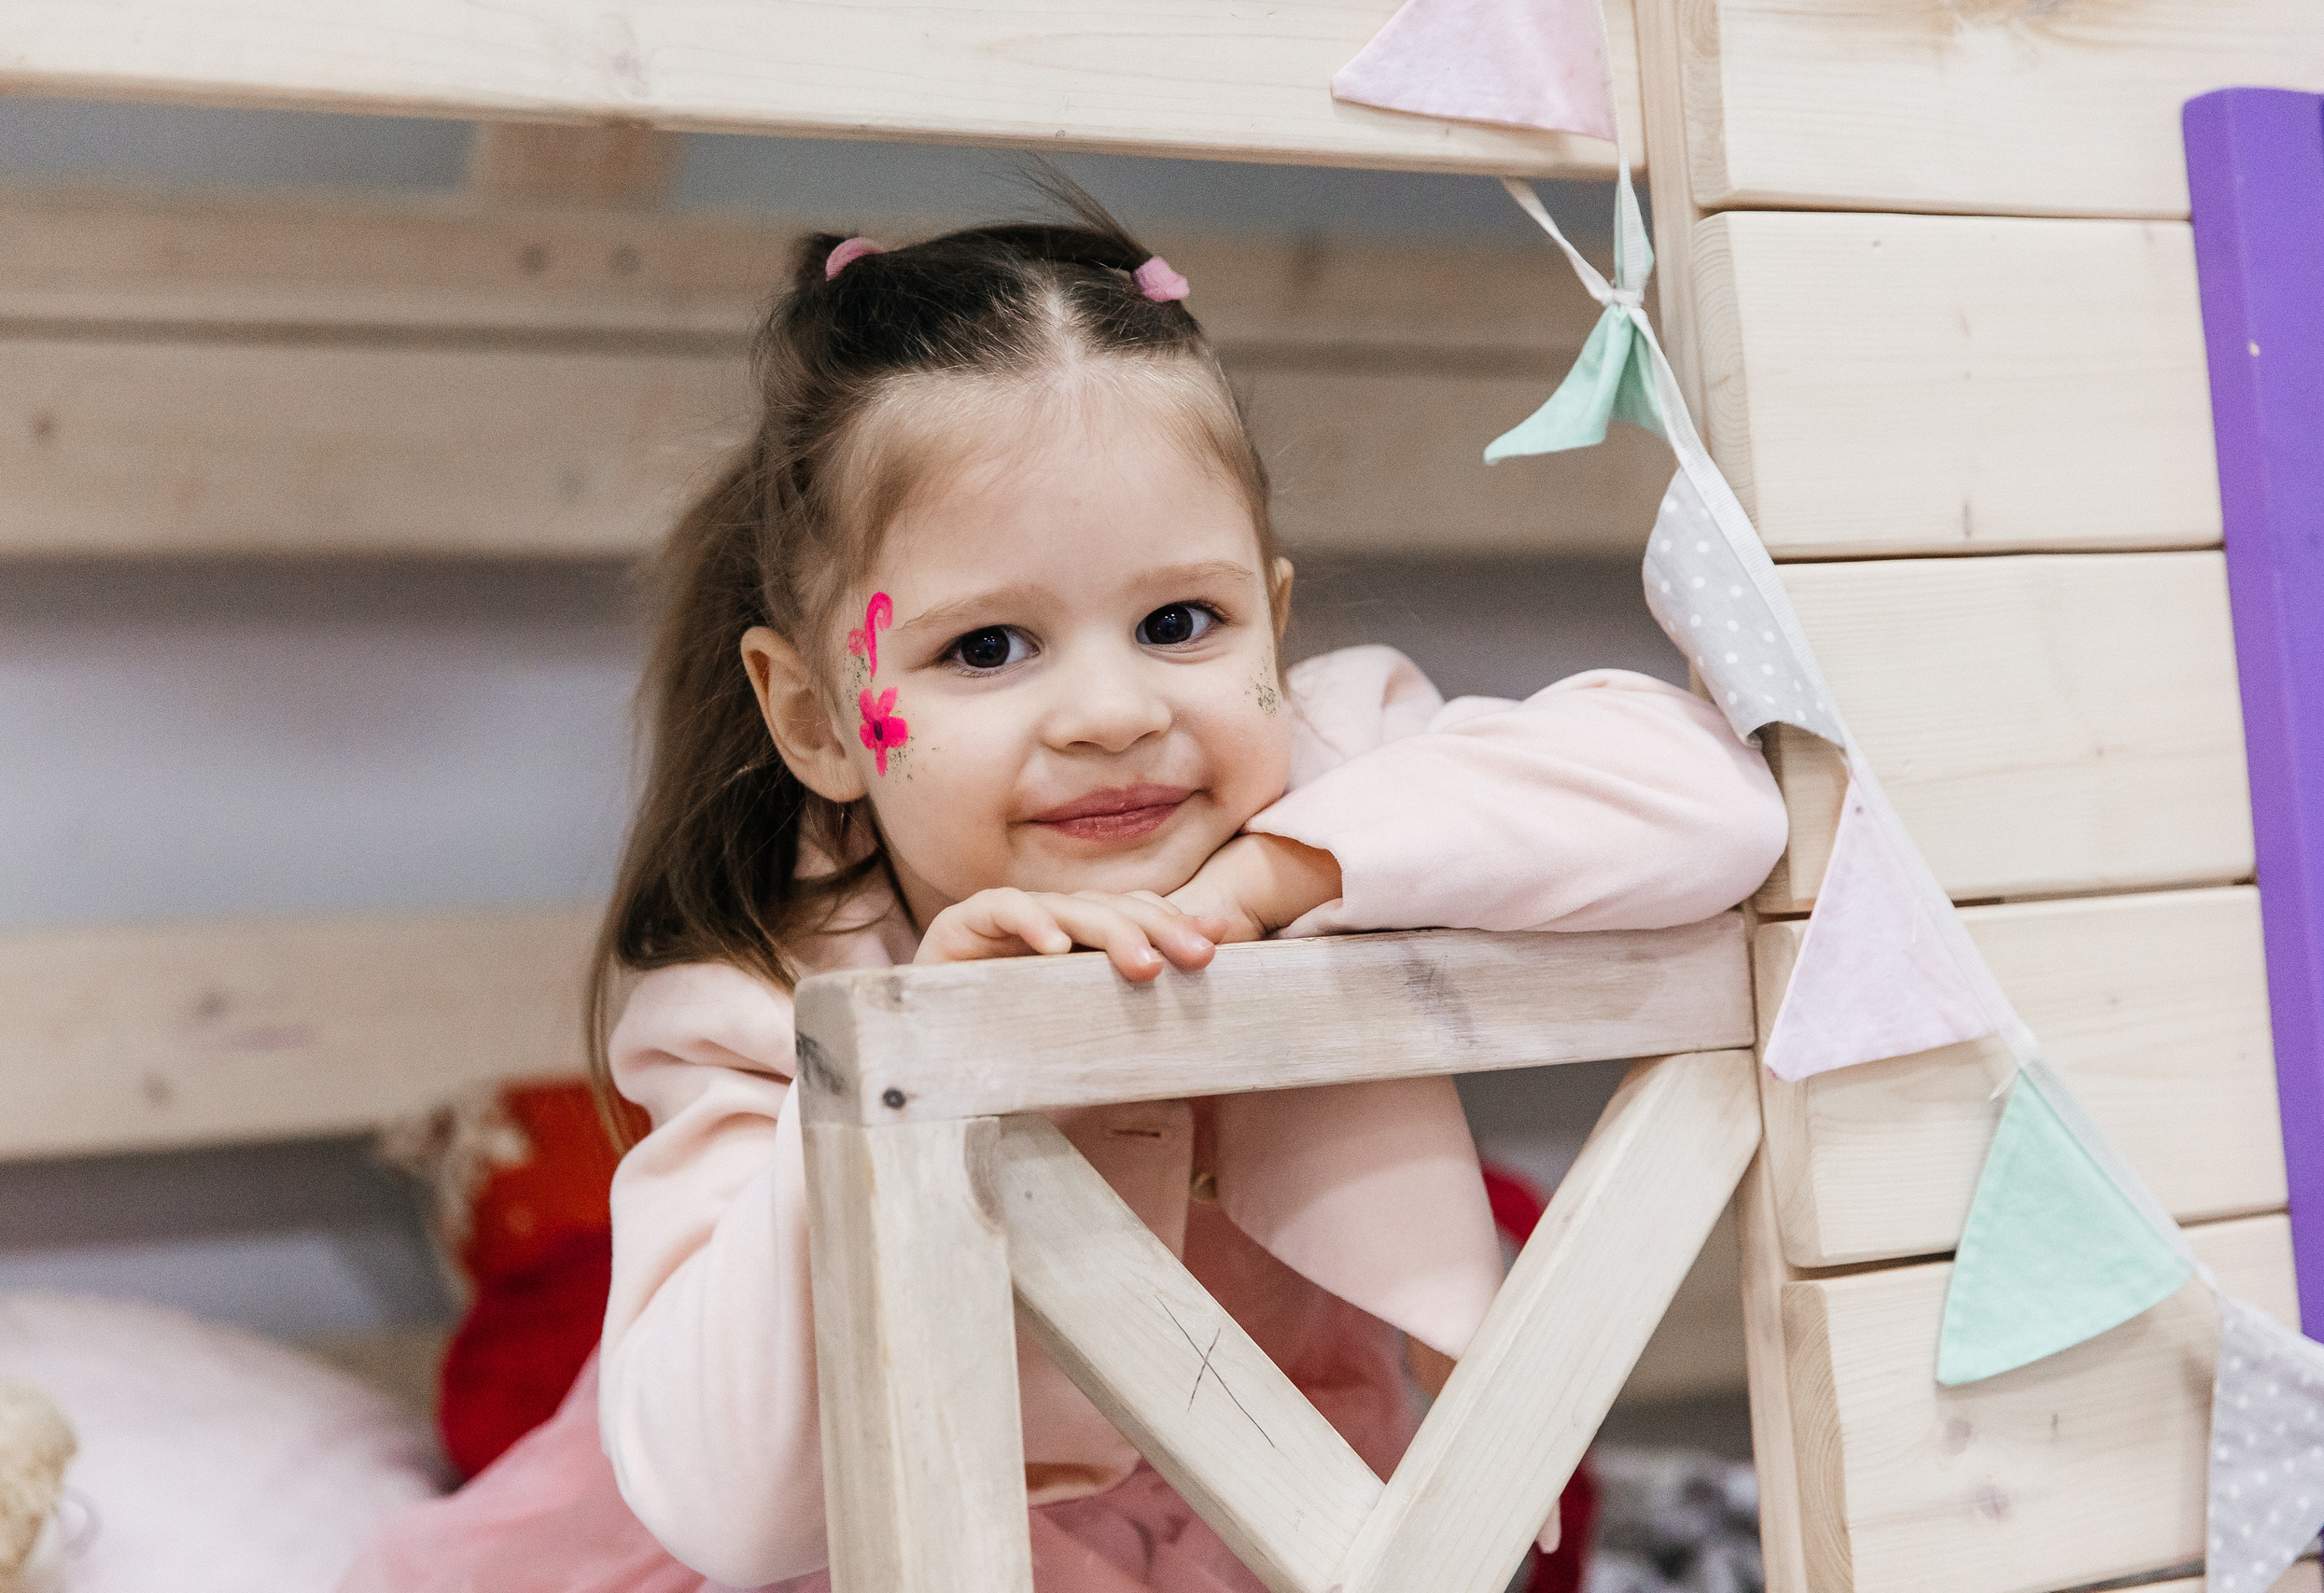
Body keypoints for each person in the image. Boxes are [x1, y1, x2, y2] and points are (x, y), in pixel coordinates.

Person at [340, 188, 1785, 1593]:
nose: (1111, 712)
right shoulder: (760, 998)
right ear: (818, 719)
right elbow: (728, 1508)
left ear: (1273, 623)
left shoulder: (1321, 773)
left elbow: (1719, 803)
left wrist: (1280, 874)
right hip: (894, 1545)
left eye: (1181, 621)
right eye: (986, 649)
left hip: (1296, 1517)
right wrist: (916, 1056)